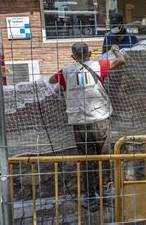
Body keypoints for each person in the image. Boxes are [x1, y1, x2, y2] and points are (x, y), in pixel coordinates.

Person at [49, 42, 125, 211]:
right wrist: (115, 50)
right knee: (104, 158)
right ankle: (106, 193)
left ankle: (90, 197)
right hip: (100, 119)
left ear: (72, 57)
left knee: (86, 160)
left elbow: (51, 80)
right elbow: (121, 60)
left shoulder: (66, 71)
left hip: (79, 122)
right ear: (90, 54)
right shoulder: (98, 65)